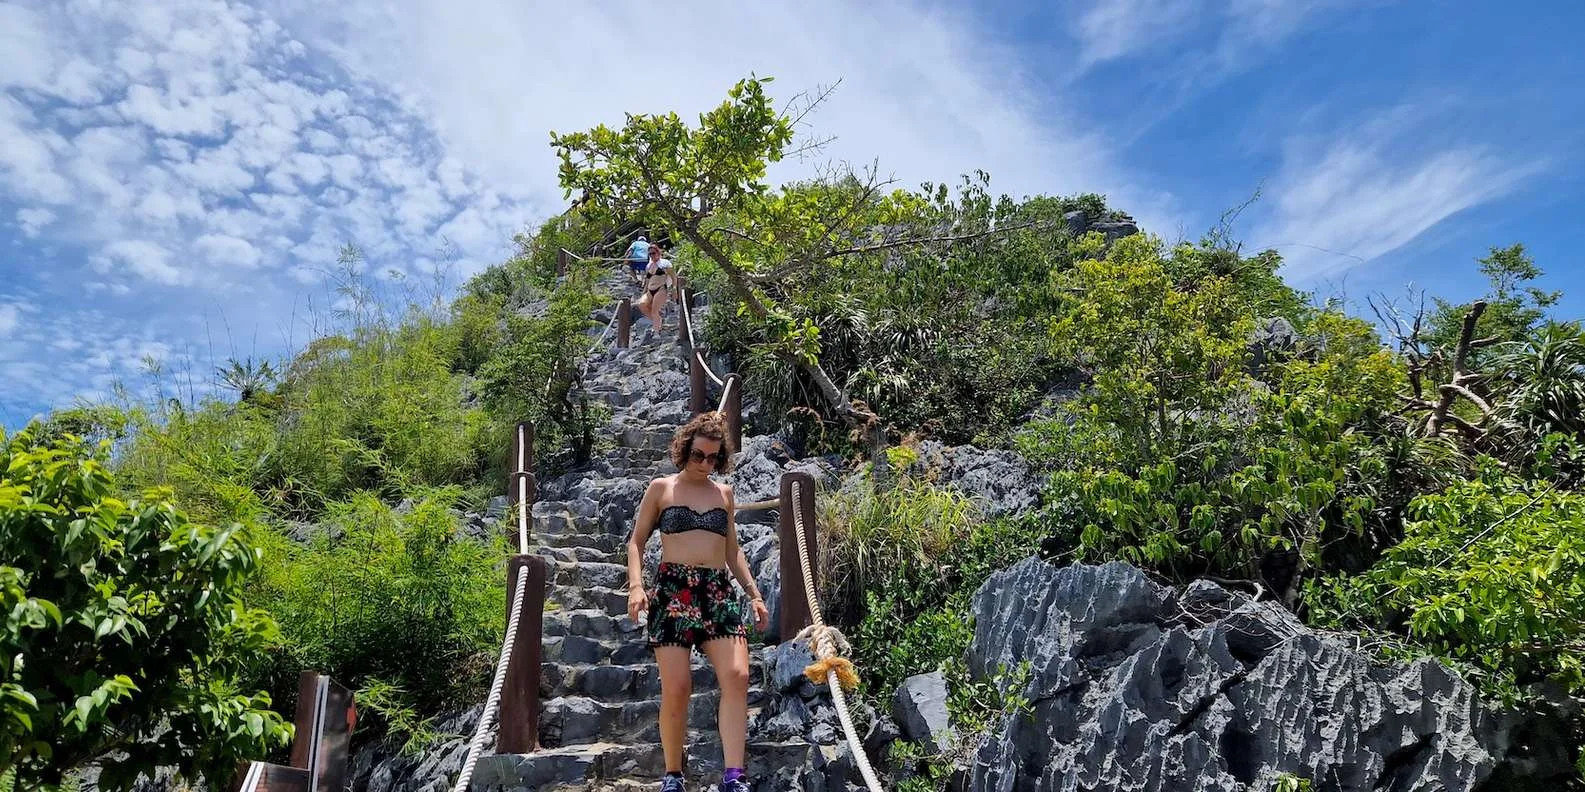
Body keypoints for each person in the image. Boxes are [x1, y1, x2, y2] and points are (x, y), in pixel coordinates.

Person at [626, 412, 768, 792]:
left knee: (738, 676)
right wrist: (637, 587)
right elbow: (636, 542)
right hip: (674, 591)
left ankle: (734, 777)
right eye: (698, 455)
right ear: (684, 450)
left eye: (713, 458)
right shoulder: (662, 489)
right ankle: (673, 775)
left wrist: (754, 595)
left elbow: (733, 552)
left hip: (717, 591)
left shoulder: (723, 495)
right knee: (678, 686)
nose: (705, 464)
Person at [638, 244, 675, 330]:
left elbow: (673, 277)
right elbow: (647, 281)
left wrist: (674, 288)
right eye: (650, 254)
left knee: (655, 310)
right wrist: (644, 292)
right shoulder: (649, 265)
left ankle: (656, 332)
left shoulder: (665, 263)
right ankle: (658, 321)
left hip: (661, 288)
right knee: (641, 304)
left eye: (653, 253)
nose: (652, 255)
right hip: (650, 289)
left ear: (658, 252)